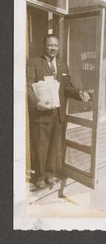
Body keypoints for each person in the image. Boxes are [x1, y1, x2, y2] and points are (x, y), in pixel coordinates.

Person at [27, 35, 90, 189]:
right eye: (50, 45)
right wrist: (37, 102)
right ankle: (39, 177)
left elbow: (67, 87)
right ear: (44, 46)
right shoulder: (35, 62)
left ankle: (49, 174)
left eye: (55, 45)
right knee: (41, 145)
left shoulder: (62, 65)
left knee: (54, 146)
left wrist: (79, 93)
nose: (53, 48)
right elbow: (28, 85)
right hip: (42, 112)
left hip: (58, 113)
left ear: (58, 47)